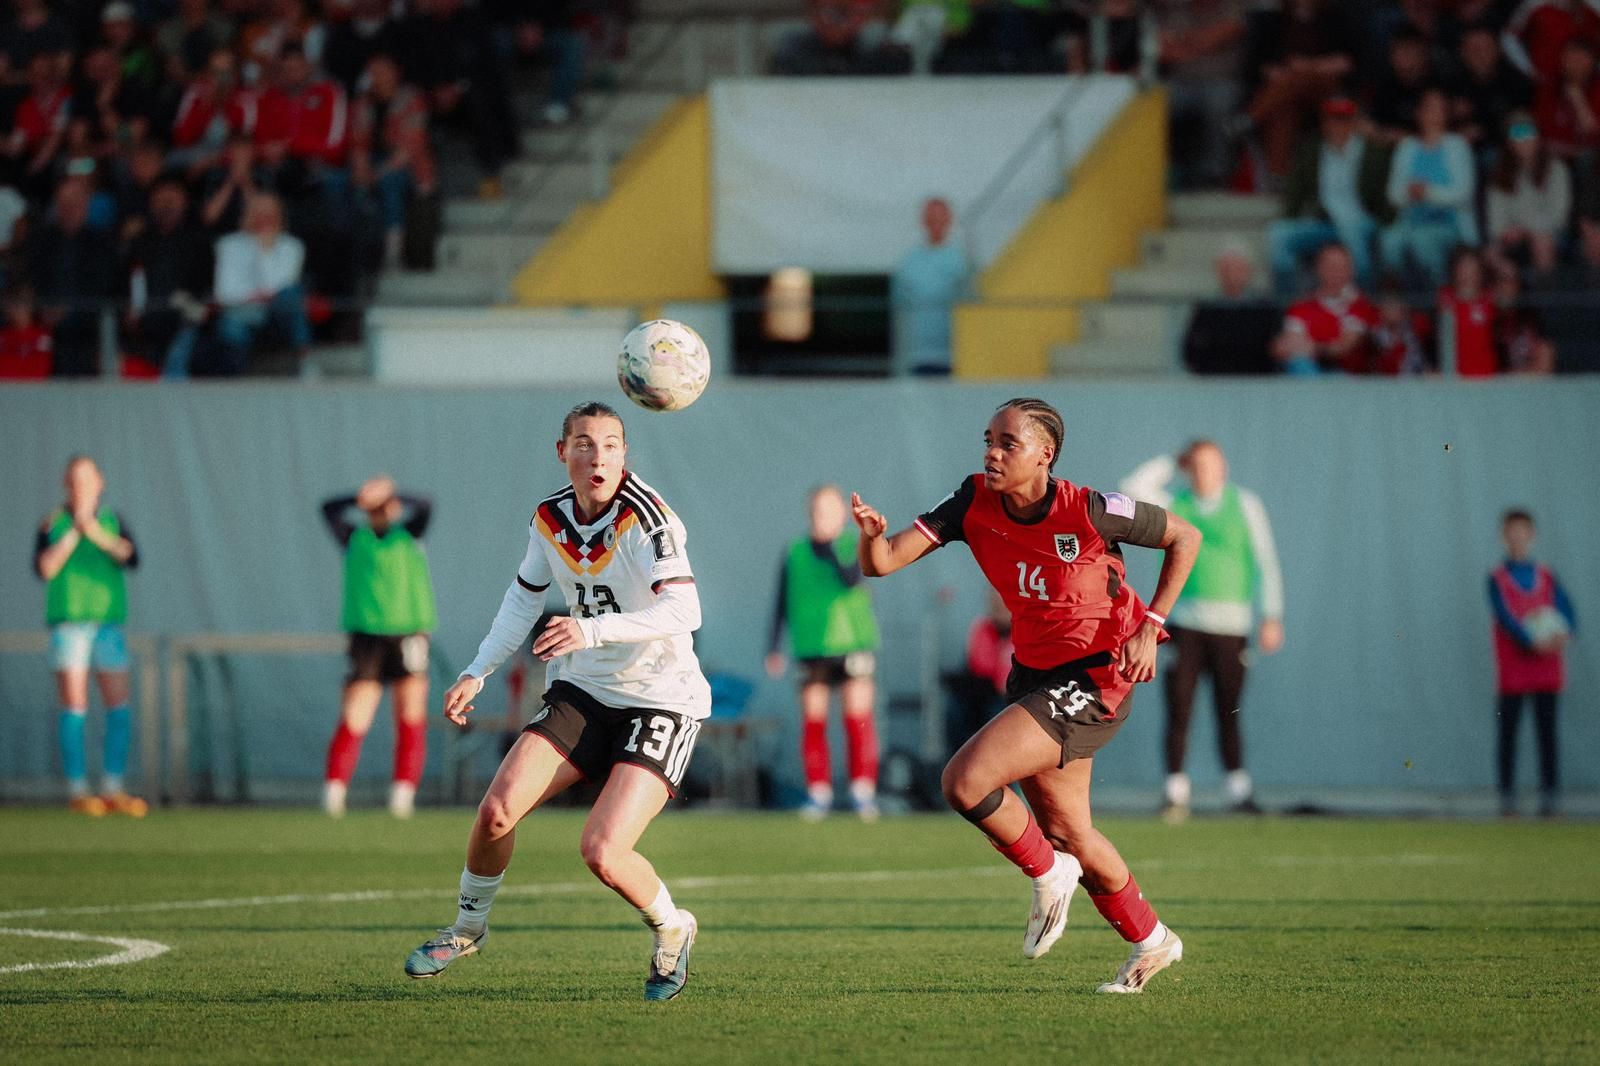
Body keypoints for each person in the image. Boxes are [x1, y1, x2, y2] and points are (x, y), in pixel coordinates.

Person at [851, 397, 1201, 993]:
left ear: (1046, 454)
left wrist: (1153, 624)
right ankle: (1152, 939)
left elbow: (1185, 537)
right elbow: (882, 563)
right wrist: (871, 537)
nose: (991, 451)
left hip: (1097, 674)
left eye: (1008, 443)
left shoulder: (1089, 508)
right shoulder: (971, 500)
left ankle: (1047, 873)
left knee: (964, 781)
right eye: (988, 438)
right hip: (1035, 673)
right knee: (1071, 833)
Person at [404, 401, 707, 1002]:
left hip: (660, 699)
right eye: (585, 443)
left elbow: (686, 610)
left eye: (612, 445)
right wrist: (477, 670)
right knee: (496, 812)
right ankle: (467, 929)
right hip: (585, 689)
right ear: (562, 451)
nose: (599, 457)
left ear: (627, 454)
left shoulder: (648, 520)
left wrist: (590, 629)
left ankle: (673, 928)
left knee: (602, 851)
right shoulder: (550, 516)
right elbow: (524, 597)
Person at [1121, 442, 1284, 818]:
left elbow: (1265, 561)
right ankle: (1175, 791)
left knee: (1229, 708)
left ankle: (1237, 789)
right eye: (1195, 465)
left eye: (1210, 464)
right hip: (1185, 625)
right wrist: (1168, 462)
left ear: (1223, 467)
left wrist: (1271, 615)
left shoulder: (1245, 505)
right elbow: (1132, 488)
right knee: (1179, 707)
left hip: (1232, 626)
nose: (1203, 472)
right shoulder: (1177, 502)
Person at [33, 455, 147, 818]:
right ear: (66, 483)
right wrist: (74, 531)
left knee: (118, 706)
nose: (81, 486)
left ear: (101, 483)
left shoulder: (112, 521)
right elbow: (45, 567)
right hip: (69, 624)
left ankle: (113, 786)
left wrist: (93, 529)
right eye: (75, 480)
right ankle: (78, 788)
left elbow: (129, 556)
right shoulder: (53, 522)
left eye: (88, 479)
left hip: (107, 625)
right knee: (75, 705)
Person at [320, 475, 437, 819]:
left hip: (408, 634)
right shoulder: (355, 538)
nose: (384, 510)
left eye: (388, 505)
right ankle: (334, 790)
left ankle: (402, 794)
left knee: (410, 714)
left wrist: (391, 492)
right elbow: (328, 508)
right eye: (377, 507)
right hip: (368, 637)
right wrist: (362, 497)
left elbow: (426, 503)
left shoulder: (409, 535)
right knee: (356, 714)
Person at [765, 484, 882, 821]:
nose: (821, 518)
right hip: (810, 645)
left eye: (829, 512)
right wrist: (774, 646)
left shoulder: (851, 544)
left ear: (841, 515)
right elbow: (781, 599)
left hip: (852, 643)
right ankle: (819, 792)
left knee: (857, 719)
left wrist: (829, 545)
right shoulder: (795, 551)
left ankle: (863, 791)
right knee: (814, 720)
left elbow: (851, 580)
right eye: (817, 512)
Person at [1488, 509, 1577, 817]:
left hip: (1546, 668)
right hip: (1514, 669)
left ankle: (1550, 794)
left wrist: (1562, 634)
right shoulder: (1497, 578)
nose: (1518, 537)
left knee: (1546, 732)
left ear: (1532, 535)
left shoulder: (1547, 576)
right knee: (1509, 731)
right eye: (1512, 531)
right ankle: (1507, 795)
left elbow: (1567, 612)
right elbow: (1506, 617)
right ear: (1504, 536)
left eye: (1523, 531)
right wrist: (1531, 640)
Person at [1268, 96, 1389, 295]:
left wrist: (1383, 223)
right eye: (1332, 119)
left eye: (1343, 119)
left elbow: (1384, 198)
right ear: (1324, 123)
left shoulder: (1373, 152)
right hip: (1325, 224)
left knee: (1353, 234)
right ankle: (1287, 307)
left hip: (1361, 222)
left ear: (1353, 123)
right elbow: (1295, 193)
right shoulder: (1312, 150)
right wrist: (1290, 216)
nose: (1337, 126)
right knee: (1278, 234)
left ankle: (1368, 305)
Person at [1381, 87, 1480, 287]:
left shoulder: (1458, 145)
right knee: (1388, 241)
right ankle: (1401, 299)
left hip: (1449, 225)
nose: (1433, 114)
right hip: (1410, 222)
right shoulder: (1406, 146)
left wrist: (1426, 192)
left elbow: (1463, 193)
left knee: (1423, 242)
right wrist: (1410, 193)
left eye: (1439, 109)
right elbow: (1393, 194)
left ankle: (1437, 296)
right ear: (1418, 113)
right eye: (1428, 108)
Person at [213, 191, 311, 374]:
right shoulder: (229, 245)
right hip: (243, 311)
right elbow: (224, 293)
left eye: (270, 213)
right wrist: (256, 296)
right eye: (259, 212)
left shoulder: (292, 246)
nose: (265, 218)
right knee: (231, 324)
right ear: (248, 215)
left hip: (278, 313)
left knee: (292, 295)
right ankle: (235, 381)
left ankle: (304, 363)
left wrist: (264, 251)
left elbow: (282, 289)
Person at [890, 196, 971, 376]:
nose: (936, 224)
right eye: (931, 219)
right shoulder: (909, 262)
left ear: (949, 220)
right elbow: (898, 312)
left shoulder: (963, 262)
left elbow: (973, 307)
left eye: (941, 218)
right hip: (917, 357)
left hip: (955, 358)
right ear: (923, 221)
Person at [1485, 114, 1573, 280]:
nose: (1525, 139)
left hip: (1552, 235)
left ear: (1539, 138)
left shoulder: (1557, 169)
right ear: (1509, 142)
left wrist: (1526, 230)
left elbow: (1558, 218)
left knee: (1542, 244)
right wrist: (1508, 233)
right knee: (1490, 255)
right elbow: (1496, 224)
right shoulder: (1498, 176)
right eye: (1518, 134)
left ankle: (1545, 300)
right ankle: (1512, 304)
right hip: (1513, 238)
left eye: (1529, 133)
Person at [1272, 242, 1380, 375]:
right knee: (1298, 363)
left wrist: (1313, 348)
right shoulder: (1301, 307)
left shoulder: (1362, 306)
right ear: (1319, 268)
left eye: (1342, 266)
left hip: (1351, 380)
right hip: (1308, 372)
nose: (1336, 272)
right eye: (1331, 266)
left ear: (1351, 269)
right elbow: (1284, 348)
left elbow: (1344, 347)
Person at [1181, 244, 1282, 374]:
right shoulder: (1206, 308)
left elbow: (1275, 350)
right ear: (1218, 271)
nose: (1231, 274)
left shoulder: (1265, 307)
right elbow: (1191, 351)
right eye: (1226, 269)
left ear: (1249, 270)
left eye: (1238, 268)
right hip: (1215, 381)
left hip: (1257, 381)